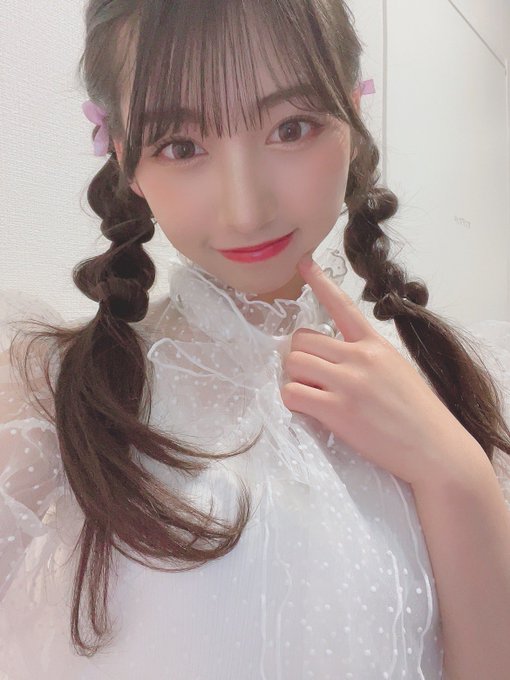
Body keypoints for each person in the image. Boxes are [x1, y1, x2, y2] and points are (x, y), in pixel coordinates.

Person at [1, 1, 510, 678]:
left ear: (354, 115)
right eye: (181, 146)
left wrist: (456, 475)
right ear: (124, 158)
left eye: (291, 128)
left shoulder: (459, 382)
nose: (246, 210)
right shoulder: (45, 396)